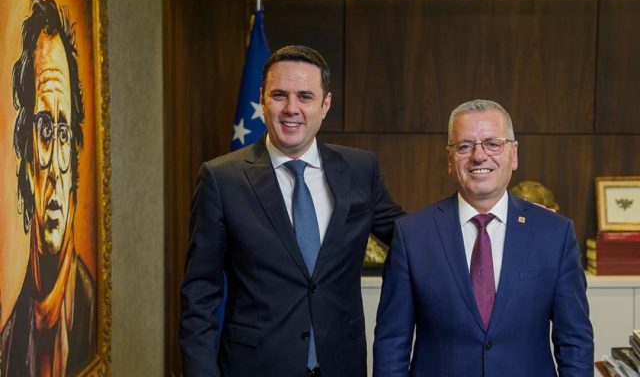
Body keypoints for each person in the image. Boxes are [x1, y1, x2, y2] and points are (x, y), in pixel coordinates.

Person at [180, 45, 404, 377]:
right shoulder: (221, 179)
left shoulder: (360, 169)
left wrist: (474, 213)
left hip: (341, 365)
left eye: (305, 97)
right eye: (279, 95)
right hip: (255, 368)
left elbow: (409, 238)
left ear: (326, 104)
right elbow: (199, 293)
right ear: (262, 99)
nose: (291, 109)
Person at [373, 99, 593, 376]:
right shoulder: (412, 235)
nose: (479, 156)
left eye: (493, 144)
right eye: (464, 146)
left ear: (514, 154)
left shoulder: (554, 234)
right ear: (450, 159)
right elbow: (392, 344)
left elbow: (574, 343)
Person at [2, 0, 95, 377]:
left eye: (63, 132)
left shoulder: (91, 311)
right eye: (43, 129)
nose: (56, 165)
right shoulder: (8, 343)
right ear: (25, 160)